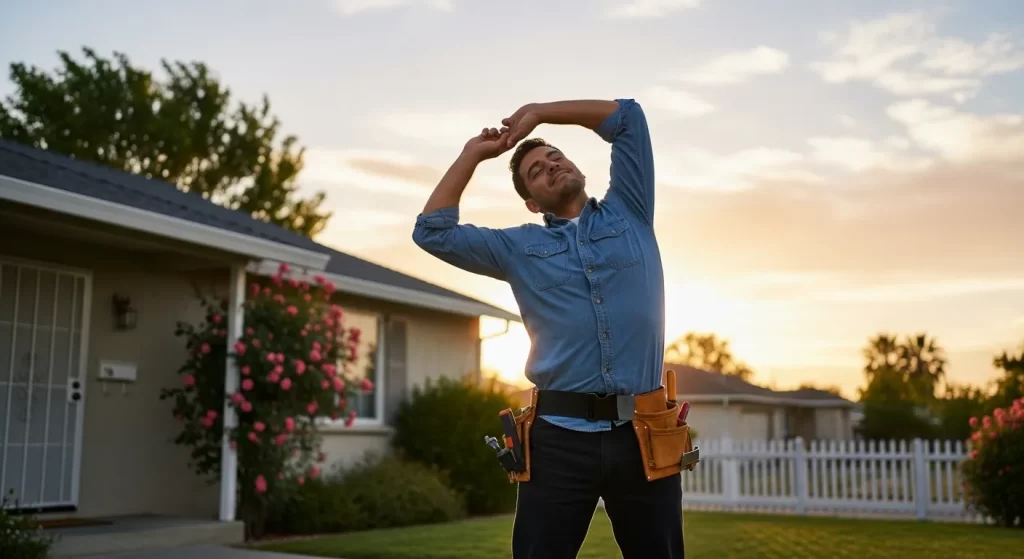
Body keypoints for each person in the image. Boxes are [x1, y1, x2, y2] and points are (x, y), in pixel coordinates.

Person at [411, 98, 682, 558]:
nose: (551, 164)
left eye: (555, 156)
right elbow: (432, 232)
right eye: (536, 170)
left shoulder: (630, 211)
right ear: (533, 202)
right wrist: (473, 154)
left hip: (644, 433)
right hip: (558, 441)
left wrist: (539, 112)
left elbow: (628, 118)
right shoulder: (519, 246)